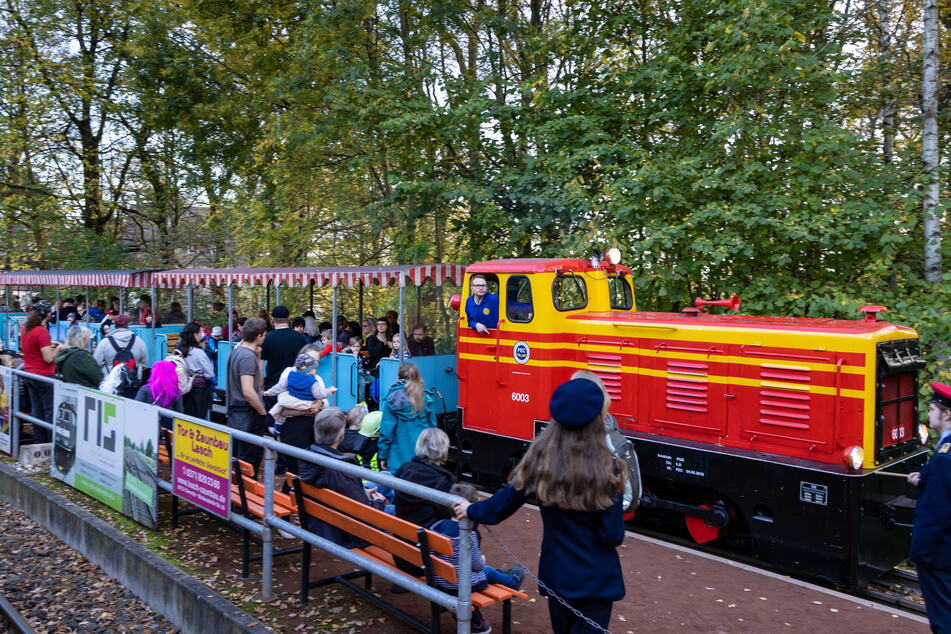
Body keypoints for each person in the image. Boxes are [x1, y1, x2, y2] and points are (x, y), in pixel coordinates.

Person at [452, 378, 627, 634]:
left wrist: (470, 510)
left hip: (557, 575)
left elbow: (498, 507)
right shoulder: (607, 467)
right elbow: (612, 536)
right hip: (595, 580)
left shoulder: (540, 460)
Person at [432, 482, 524, 634]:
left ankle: (507, 574)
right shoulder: (468, 534)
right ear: (472, 506)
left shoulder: (437, 525)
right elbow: (477, 566)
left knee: (487, 572)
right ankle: (513, 580)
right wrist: (481, 559)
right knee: (487, 570)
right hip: (459, 585)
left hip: (440, 579)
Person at [298, 408, 388, 546]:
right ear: (341, 434)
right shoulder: (340, 468)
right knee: (401, 513)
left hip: (323, 524)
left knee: (384, 478)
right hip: (348, 533)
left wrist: (362, 492)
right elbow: (363, 514)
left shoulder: (308, 456)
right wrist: (379, 502)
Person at [908, 381, 951, 632]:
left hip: (940, 553)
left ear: (946, 414)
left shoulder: (945, 457)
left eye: (933, 410)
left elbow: (938, 512)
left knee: (943, 617)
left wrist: (920, 554)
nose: (928, 415)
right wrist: (925, 480)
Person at [263, 343, 333, 476]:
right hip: (293, 426)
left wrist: (319, 403)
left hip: (312, 426)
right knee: (296, 468)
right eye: (310, 359)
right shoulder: (290, 372)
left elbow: (324, 401)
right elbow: (283, 398)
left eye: (316, 361)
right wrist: (310, 405)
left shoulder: (316, 377)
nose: (313, 363)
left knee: (310, 468)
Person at [226, 317, 268, 473]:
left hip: (237, 413)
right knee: (247, 459)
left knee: (239, 457)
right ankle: (244, 493)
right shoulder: (246, 357)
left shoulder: (238, 351)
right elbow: (248, 391)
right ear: (259, 335)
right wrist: (263, 413)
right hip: (246, 414)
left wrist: (257, 357)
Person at [378, 363, 437, 473]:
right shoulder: (426, 397)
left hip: (398, 459)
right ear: (418, 377)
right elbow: (433, 429)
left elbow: (386, 432)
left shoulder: (392, 399)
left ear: (398, 378)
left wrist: (383, 455)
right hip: (422, 457)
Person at [394, 427, 455, 528]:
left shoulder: (405, 468)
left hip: (402, 530)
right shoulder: (443, 480)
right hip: (426, 536)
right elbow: (448, 514)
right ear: (444, 448)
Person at [266, 353, 334, 433]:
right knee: (282, 403)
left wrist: (269, 392)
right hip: (306, 406)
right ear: (308, 371)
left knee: (281, 405)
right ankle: (272, 420)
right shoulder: (312, 381)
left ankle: (273, 423)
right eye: (315, 368)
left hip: (295, 406)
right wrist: (330, 391)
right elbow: (319, 394)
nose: (317, 370)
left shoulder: (291, 376)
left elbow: (280, 387)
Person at [21, 301, 58, 443]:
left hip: (29, 374)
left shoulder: (25, 328)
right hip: (44, 376)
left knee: (37, 410)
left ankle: (39, 441)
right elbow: (48, 358)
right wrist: (58, 349)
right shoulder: (42, 331)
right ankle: (50, 443)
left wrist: (48, 345)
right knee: (49, 411)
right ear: (48, 314)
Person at [260, 306, 307, 396]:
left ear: (272, 319)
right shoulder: (300, 338)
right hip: (294, 386)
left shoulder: (267, 338)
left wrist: (261, 386)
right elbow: (304, 365)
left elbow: (260, 366)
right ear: (289, 319)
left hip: (273, 386)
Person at [176, 322, 216, 420]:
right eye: (200, 332)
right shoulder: (198, 352)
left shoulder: (178, 350)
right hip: (199, 392)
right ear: (195, 335)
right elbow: (209, 373)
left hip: (182, 389)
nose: (202, 334)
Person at [93, 314, 148, 378]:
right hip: (133, 382)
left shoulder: (104, 343)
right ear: (128, 325)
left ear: (115, 325)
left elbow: (97, 363)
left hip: (110, 382)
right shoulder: (139, 341)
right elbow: (144, 364)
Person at [134, 360, 184, 429]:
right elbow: (179, 414)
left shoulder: (145, 389)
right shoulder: (176, 392)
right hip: (166, 430)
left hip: (146, 426)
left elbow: (135, 409)